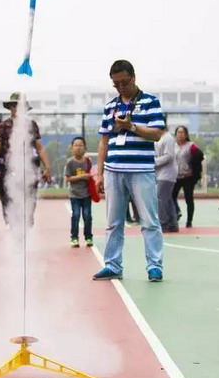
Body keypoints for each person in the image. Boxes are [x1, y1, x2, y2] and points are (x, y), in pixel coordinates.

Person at [92, 60, 165, 282]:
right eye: (116, 84)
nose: (121, 87)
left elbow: (156, 134)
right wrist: (100, 173)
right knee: (114, 222)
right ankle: (112, 265)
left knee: (149, 221)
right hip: (114, 170)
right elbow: (104, 141)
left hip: (141, 170)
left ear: (133, 77)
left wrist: (131, 127)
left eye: (124, 82)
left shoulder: (151, 102)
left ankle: (155, 266)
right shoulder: (110, 106)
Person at [0, 92, 52, 226]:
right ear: (10, 107)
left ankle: (27, 233)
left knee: (30, 203)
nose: (17, 109)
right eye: (14, 106)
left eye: (20, 106)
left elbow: (40, 148)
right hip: (8, 172)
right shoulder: (2, 127)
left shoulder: (32, 125)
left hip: (29, 170)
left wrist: (47, 168)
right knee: (10, 204)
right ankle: (13, 234)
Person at [64, 136, 94, 248]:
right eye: (76, 145)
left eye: (81, 145)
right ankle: (74, 237)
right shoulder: (70, 162)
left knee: (87, 216)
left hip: (87, 194)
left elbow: (92, 174)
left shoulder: (88, 161)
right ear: (71, 148)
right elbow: (68, 178)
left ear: (85, 148)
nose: (78, 148)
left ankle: (88, 237)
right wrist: (82, 176)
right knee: (76, 215)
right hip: (74, 195)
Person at [172, 125, 202, 228]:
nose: (180, 134)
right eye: (178, 132)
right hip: (175, 176)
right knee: (171, 197)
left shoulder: (191, 146)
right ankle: (176, 213)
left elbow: (200, 156)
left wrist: (195, 172)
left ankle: (189, 221)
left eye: (182, 132)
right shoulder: (172, 145)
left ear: (186, 134)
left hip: (188, 176)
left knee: (189, 199)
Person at [154, 125, 178, 233]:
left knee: (161, 198)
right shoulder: (159, 138)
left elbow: (169, 156)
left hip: (167, 174)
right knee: (167, 199)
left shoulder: (168, 138)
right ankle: (173, 224)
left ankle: (164, 223)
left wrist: (154, 162)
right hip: (161, 173)